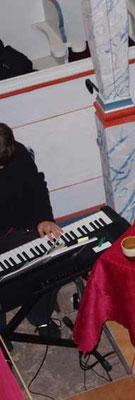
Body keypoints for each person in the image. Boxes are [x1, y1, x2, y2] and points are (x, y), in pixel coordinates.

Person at [0, 123, 63, 340]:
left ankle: (41, 316)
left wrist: (44, 218)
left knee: (52, 253)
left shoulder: (17, 152)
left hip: (21, 227)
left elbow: (37, 186)